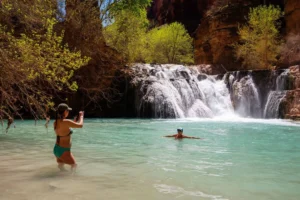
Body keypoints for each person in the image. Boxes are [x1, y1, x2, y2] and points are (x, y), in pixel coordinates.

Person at [53, 103, 84, 173]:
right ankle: (71, 180)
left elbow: (64, 131)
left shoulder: (55, 122)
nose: (68, 112)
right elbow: (80, 125)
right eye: (68, 111)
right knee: (74, 165)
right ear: (65, 112)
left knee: (61, 166)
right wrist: (81, 116)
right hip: (64, 150)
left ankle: (61, 178)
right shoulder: (66, 122)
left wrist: (74, 122)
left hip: (56, 149)